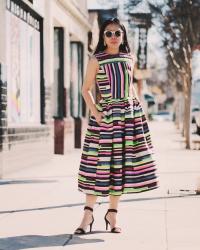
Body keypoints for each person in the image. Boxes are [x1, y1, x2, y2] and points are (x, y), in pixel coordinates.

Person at [74, 17, 158, 234]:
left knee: (118, 167)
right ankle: (87, 214)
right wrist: (97, 113)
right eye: (108, 33)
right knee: (96, 166)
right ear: (103, 36)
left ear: (123, 36)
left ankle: (112, 214)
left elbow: (131, 88)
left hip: (128, 118)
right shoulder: (96, 59)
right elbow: (86, 89)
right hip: (105, 118)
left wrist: (138, 114)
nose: (113, 37)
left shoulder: (130, 58)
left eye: (117, 33)